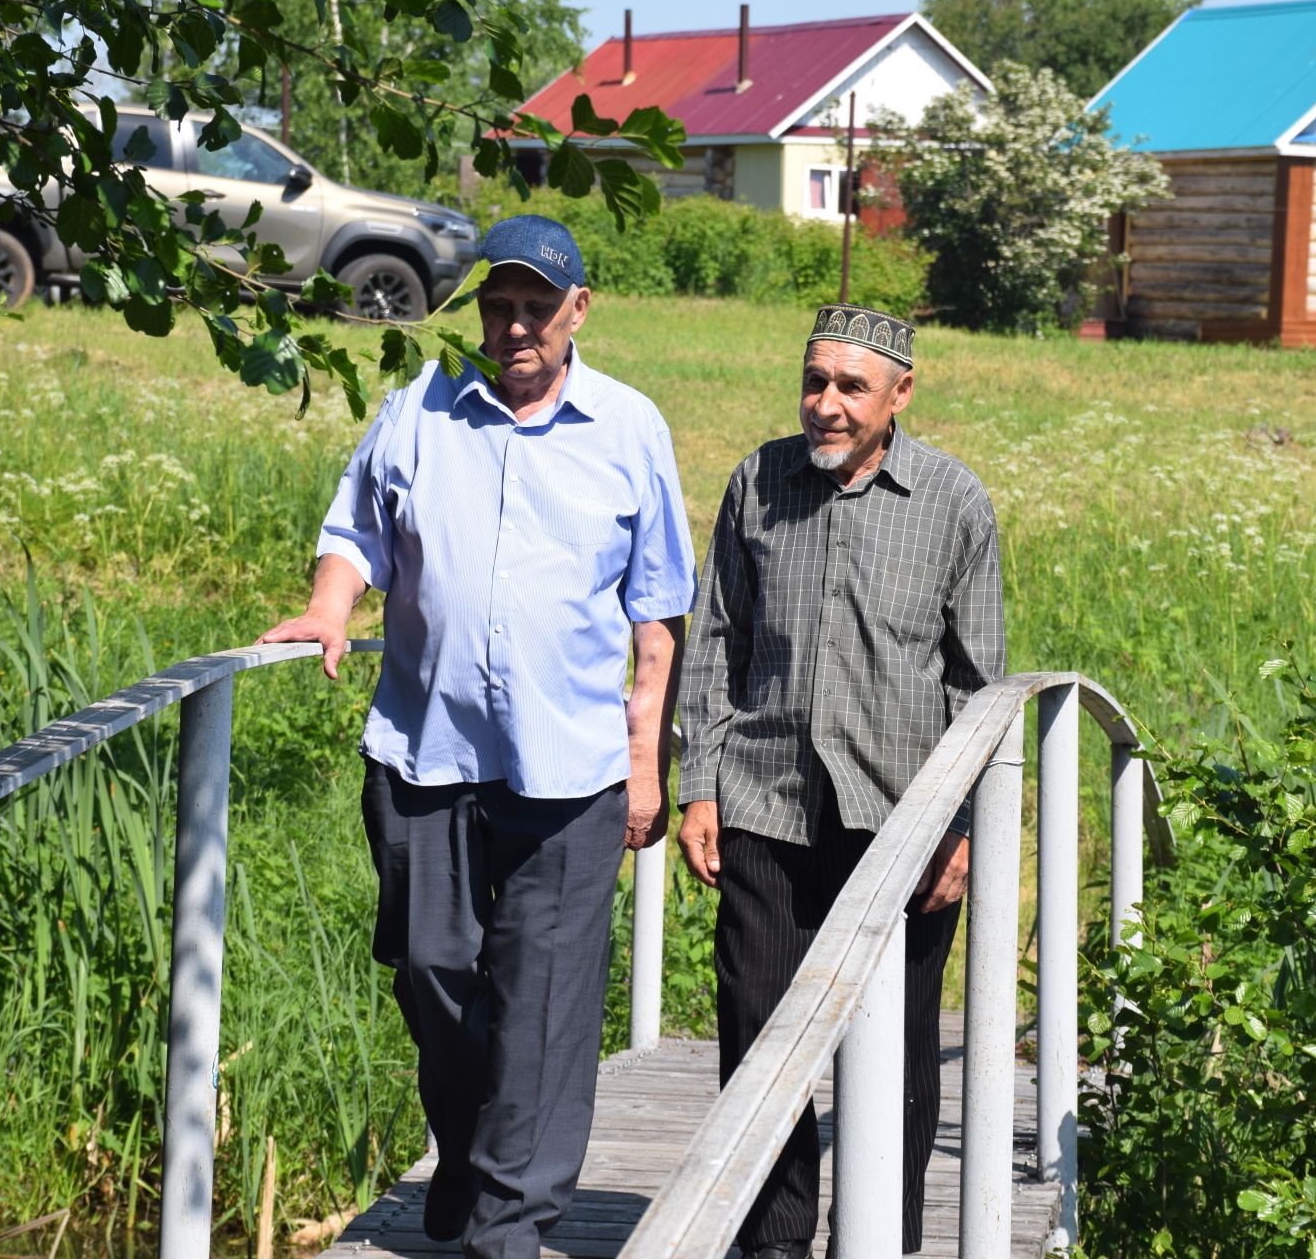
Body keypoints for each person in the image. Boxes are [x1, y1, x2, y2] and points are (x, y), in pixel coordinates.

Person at [258, 215, 695, 1259]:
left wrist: (646, 765)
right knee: (428, 964)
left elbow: (658, 615)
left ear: (577, 312)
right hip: (425, 752)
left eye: (534, 308)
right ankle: (466, 1153)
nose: (512, 328)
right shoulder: (419, 411)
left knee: (543, 1005)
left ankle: (508, 1223)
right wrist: (331, 609)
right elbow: (354, 531)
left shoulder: (630, 428)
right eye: (496, 307)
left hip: (572, 766)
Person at [675, 303, 1005, 1259]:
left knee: (898, 1054)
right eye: (814, 382)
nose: (825, 405)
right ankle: (771, 1240)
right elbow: (717, 641)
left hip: (901, 821)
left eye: (850, 388)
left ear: (900, 394)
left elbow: (977, 685)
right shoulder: (758, 481)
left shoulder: (953, 502)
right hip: (765, 802)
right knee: (755, 1034)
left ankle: (880, 1238)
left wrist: (965, 830)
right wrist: (703, 783)